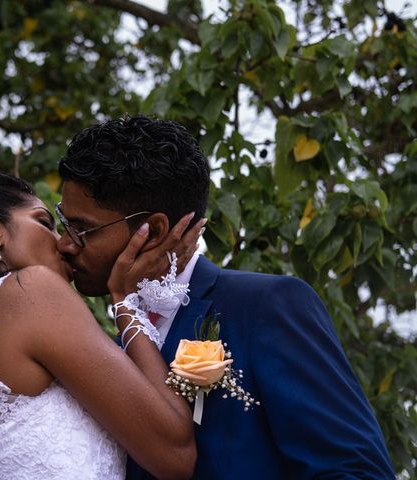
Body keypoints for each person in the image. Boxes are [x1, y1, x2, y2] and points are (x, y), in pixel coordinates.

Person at [56, 114, 395, 480]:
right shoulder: (107, 348)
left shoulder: (265, 306)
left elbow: (357, 472)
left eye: (82, 229)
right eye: (63, 224)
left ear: (151, 231)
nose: (64, 244)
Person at [0, 160, 203, 479]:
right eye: (45, 222)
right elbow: (175, 456)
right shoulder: (30, 290)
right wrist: (125, 301)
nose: (63, 243)